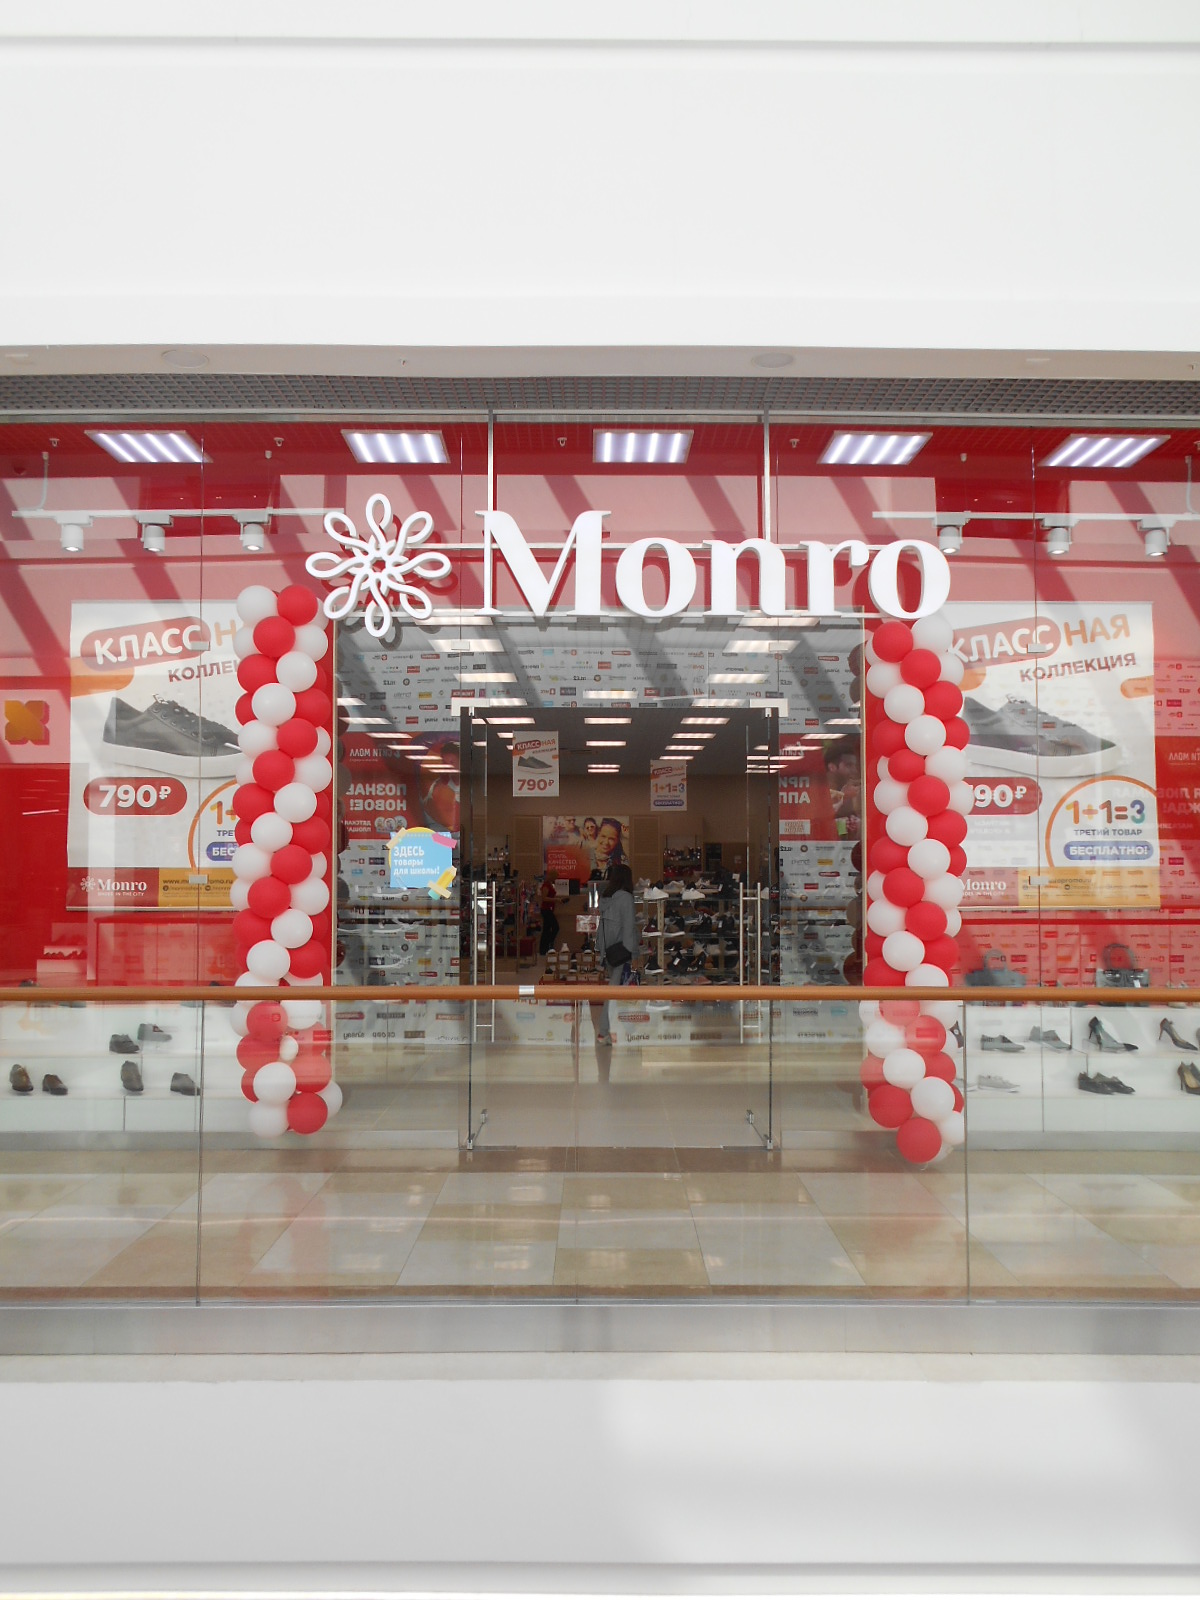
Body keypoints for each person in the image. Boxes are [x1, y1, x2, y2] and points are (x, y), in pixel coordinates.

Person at [591, 863, 638, 1046]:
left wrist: (601, 952)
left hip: (609, 951)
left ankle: (608, 1031)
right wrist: (634, 953)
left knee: (613, 989)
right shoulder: (626, 898)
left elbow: (602, 927)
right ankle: (603, 1032)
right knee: (612, 992)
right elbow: (629, 927)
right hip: (621, 951)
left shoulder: (606, 897)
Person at [537, 874, 560, 958]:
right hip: (546, 909)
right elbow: (544, 898)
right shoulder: (546, 885)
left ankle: (544, 949)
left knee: (546, 929)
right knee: (555, 927)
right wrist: (555, 900)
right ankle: (549, 944)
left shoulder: (549, 884)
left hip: (548, 909)